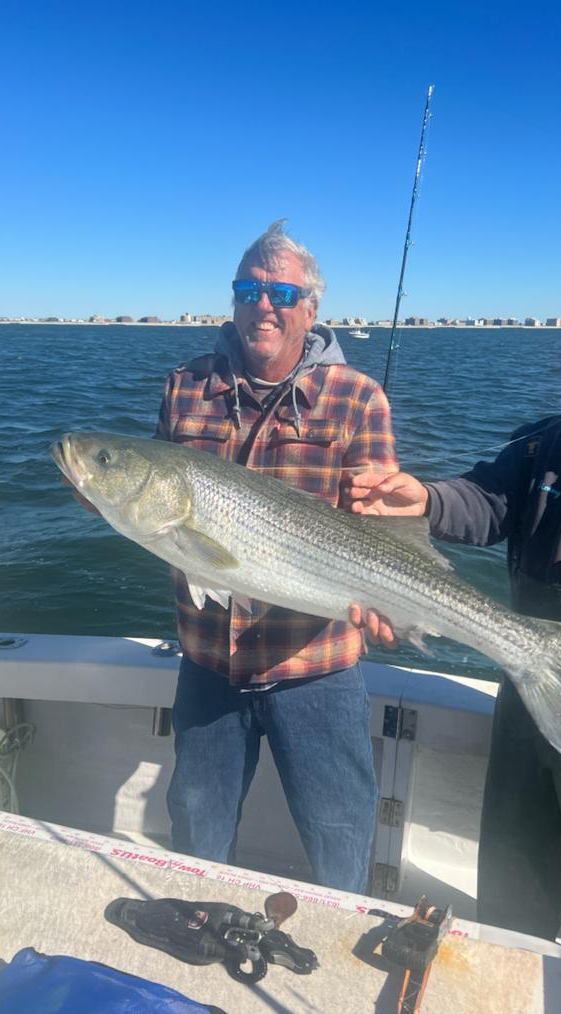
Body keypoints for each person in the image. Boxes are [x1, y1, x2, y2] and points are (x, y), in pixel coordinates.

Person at [348, 296, 561, 1014]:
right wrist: (421, 498)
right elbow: (485, 503)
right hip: (529, 698)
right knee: (511, 893)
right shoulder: (542, 446)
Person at [155, 222, 398, 893]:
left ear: (310, 309)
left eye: (282, 292)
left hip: (316, 669)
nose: (264, 304)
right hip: (208, 663)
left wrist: (392, 601)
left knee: (340, 843)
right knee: (195, 838)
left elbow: (387, 527)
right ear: (232, 300)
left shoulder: (358, 397)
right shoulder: (183, 388)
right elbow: (155, 503)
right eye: (248, 289)